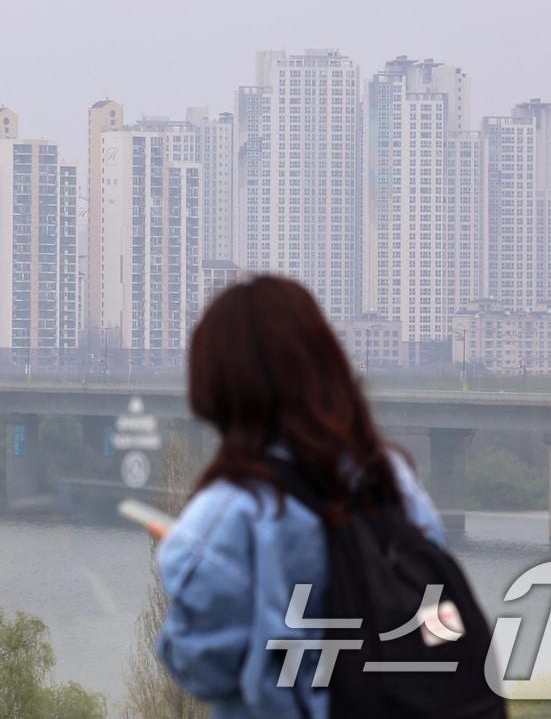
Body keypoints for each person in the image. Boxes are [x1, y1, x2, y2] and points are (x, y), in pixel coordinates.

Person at [155, 275, 448, 718]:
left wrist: (185, 560)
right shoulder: (391, 477)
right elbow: (436, 613)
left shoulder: (232, 510)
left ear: (218, 385)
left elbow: (201, 667)